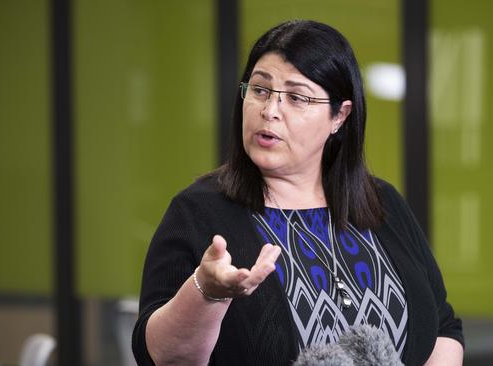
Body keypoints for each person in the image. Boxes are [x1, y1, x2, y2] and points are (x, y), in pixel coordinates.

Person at [132, 20, 464, 366]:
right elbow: (159, 356)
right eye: (260, 90)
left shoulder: (382, 202)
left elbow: (443, 327)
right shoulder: (198, 212)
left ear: (340, 116)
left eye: (296, 97)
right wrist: (207, 291)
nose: (269, 111)